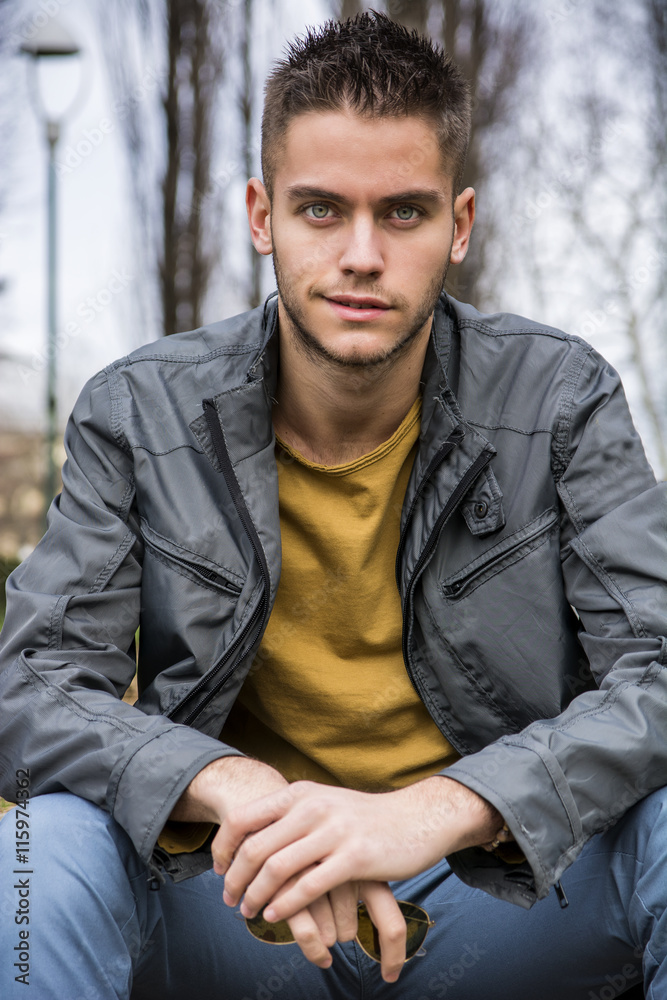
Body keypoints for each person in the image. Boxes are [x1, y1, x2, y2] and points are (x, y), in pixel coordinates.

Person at [0, 11, 665, 999]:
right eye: (321, 210)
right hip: (238, 894)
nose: (361, 254)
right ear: (262, 215)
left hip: (502, 895)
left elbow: (656, 668)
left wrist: (443, 806)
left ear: (460, 223)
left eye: (402, 211)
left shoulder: (557, 400)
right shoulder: (139, 412)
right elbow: (32, 685)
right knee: (34, 851)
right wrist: (236, 788)